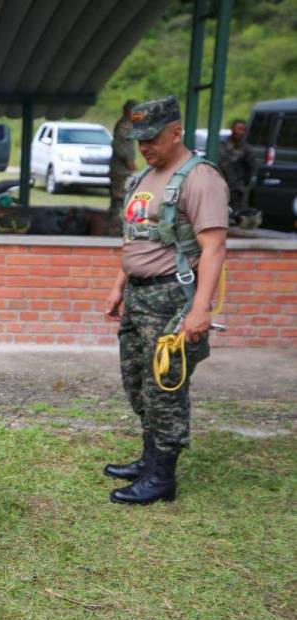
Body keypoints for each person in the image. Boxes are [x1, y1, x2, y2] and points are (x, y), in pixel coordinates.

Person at [103, 96, 228, 505]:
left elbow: (213, 249)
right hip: (139, 295)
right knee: (138, 381)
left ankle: (162, 477)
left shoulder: (200, 178)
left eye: (152, 139)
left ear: (176, 132)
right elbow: (137, 238)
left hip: (173, 296)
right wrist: (119, 284)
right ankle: (148, 458)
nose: (144, 147)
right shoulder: (145, 178)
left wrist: (200, 309)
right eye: (138, 140)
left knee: (165, 385)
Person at [108, 100, 138, 234]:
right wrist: (128, 161)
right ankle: (115, 229)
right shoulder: (124, 126)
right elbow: (118, 145)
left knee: (122, 199)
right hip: (121, 170)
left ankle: (117, 228)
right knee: (120, 200)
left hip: (122, 170)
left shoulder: (129, 125)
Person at [218, 119, 255, 209]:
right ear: (232, 129)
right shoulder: (220, 145)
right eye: (239, 129)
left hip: (234, 190)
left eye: (244, 130)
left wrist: (242, 185)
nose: (241, 132)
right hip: (218, 187)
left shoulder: (247, 149)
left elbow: (250, 169)